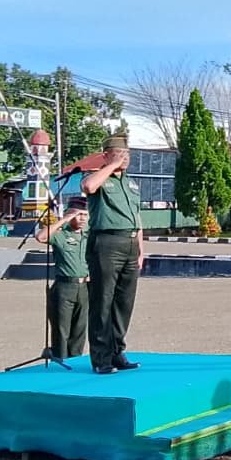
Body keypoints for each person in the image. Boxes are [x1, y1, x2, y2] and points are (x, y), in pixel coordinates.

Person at [81, 133, 144, 375]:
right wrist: (111, 166)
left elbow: (137, 218)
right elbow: (88, 186)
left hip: (130, 243)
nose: (124, 158)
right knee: (103, 302)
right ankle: (101, 358)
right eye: (119, 154)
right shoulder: (99, 178)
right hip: (106, 243)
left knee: (123, 303)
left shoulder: (131, 184)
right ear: (106, 155)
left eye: (126, 154)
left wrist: (140, 250)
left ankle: (117, 352)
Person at [35, 196, 91, 360]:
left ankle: (75, 361)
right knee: (61, 329)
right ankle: (60, 362)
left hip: (84, 287)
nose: (82, 219)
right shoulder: (61, 235)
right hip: (65, 287)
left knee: (79, 330)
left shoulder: (89, 236)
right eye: (79, 215)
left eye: (85, 215)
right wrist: (64, 219)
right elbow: (41, 237)